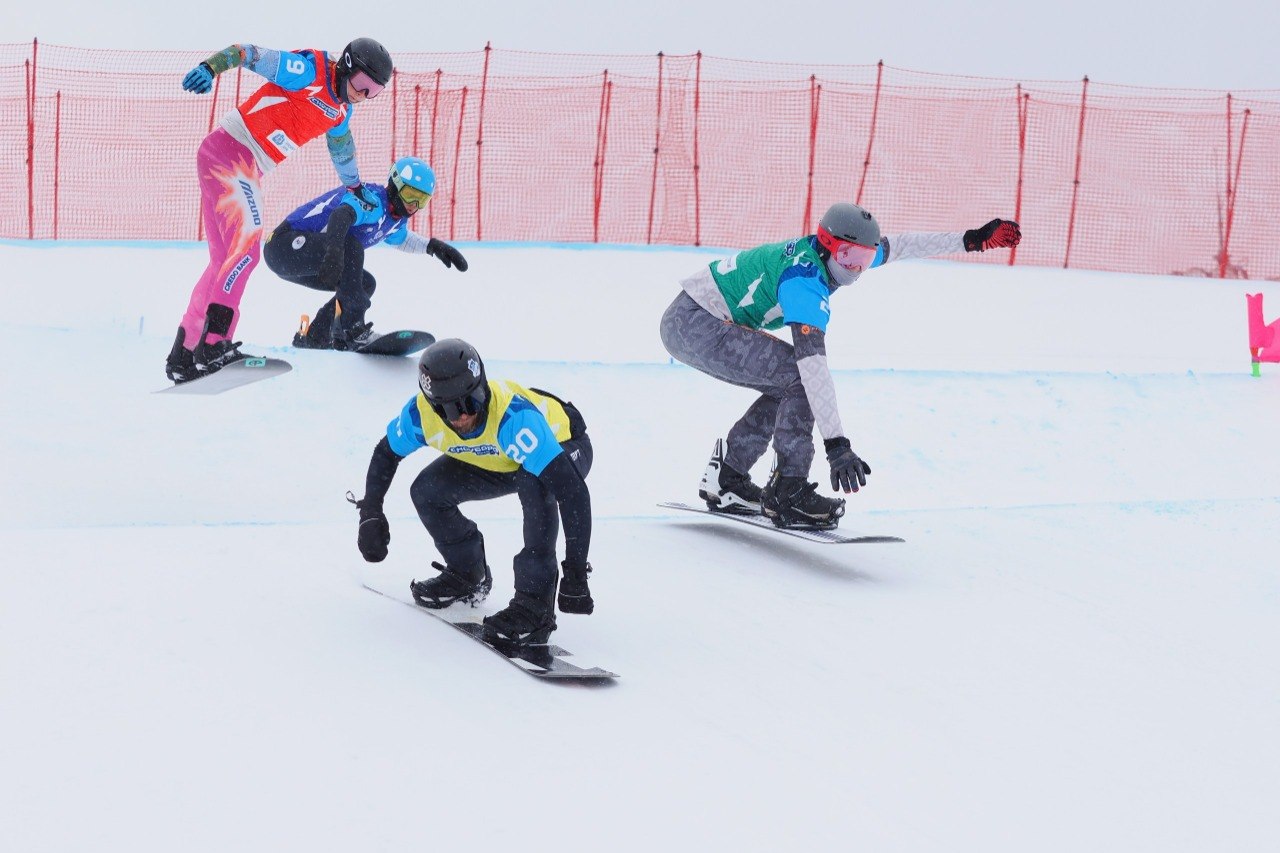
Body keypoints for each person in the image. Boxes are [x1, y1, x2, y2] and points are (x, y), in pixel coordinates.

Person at [660, 203, 1021, 529]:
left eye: (864, 259)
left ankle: (728, 478)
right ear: (827, 244)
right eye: (848, 257)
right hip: (696, 323)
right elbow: (813, 369)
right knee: (799, 378)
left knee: (786, 383)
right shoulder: (803, 280)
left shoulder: (833, 255)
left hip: (690, 316)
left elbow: (902, 246)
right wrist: (837, 446)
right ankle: (788, 490)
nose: (855, 269)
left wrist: (970, 240)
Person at [164, 38, 394, 383]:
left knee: (223, 260)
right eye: (362, 84)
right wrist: (210, 68)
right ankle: (214, 345)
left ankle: (183, 354)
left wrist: (355, 187)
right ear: (347, 66)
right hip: (232, 153)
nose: (363, 95)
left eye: (374, 92)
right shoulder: (309, 72)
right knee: (246, 252)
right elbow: (248, 53)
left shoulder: (340, 112)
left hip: (235, 161)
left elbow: (342, 150)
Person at [351, 338, 595, 646]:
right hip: (501, 458)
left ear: (483, 388)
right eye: (448, 408)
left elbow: (572, 492)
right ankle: (468, 573)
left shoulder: (515, 419)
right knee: (426, 491)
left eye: (470, 402)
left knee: (534, 480)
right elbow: (386, 452)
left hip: (566, 445)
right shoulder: (420, 416)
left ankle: (535, 606)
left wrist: (575, 572)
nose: (462, 416)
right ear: (432, 405)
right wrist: (371, 512)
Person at [263, 156, 468, 350]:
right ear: (395, 185)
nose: (413, 205)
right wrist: (334, 252)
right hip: (282, 247)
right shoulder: (371, 199)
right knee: (351, 246)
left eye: (421, 200)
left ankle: (316, 337)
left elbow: (402, 239)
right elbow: (341, 215)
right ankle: (353, 329)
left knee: (364, 284)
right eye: (410, 195)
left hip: (302, 261)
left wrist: (433, 246)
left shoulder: (393, 220)